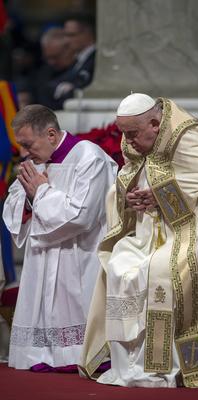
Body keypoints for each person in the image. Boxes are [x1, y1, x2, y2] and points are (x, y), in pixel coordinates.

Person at [79, 93, 198, 388]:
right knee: (120, 263)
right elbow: (130, 175)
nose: (128, 142)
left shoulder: (189, 138)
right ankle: (131, 365)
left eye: (133, 134)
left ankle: (162, 367)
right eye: (124, 134)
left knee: (160, 268)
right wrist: (133, 198)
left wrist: (163, 194)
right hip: (160, 225)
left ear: (155, 123)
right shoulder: (137, 138)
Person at [3, 104, 117, 370]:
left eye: (28, 144)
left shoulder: (89, 157)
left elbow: (82, 216)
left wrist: (40, 193)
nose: (23, 152)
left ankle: (80, 355)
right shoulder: (35, 162)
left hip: (79, 251)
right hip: (45, 254)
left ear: (51, 134)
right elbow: (15, 203)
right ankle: (46, 354)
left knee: (74, 300)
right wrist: (31, 200)